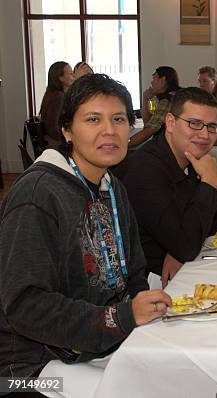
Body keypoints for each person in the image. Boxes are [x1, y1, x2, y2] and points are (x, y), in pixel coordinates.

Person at [0, 74, 171, 388]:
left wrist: (141, 312)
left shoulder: (112, 187)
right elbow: (24, 305)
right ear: (67, 130)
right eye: (93, 119)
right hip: (30, 366)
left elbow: (133, 273)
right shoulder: (38, 194)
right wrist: (121, 318)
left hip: (101, 343)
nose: (109, 130)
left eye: (119, 119)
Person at [117, 87, 217, 287]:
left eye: (211, 127)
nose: (204, 135)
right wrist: (209, 183)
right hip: (147, 284)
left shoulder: (191, 159)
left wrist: (176, 248)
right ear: (170, 122)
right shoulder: (145, 170)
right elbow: (186, 244)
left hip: (183, 269)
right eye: (194, 124)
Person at [130, 66, 180, 148]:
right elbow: (148, 123)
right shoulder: (166, 97)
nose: (152, 82)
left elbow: (148, 132)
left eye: (154, 78)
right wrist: (145, 99)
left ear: (163, 80)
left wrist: (123, 146)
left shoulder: (168, 100)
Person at [39, 61, 75, 148]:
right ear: (60, 78)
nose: (74, 76)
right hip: (57, 145)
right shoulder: (58, 96)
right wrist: (68, 140)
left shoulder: (51, 94)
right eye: (70, 74)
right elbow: (53, 127)